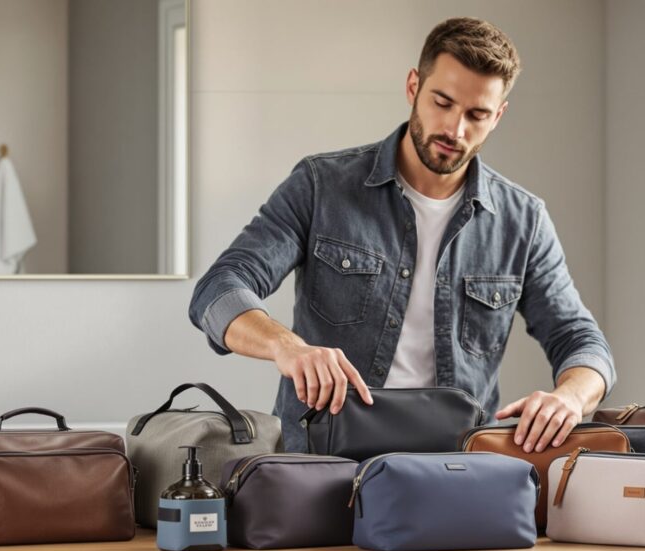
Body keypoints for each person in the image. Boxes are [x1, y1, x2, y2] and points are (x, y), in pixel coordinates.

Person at [189, 16, 615, 454]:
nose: (455, 130)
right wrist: (288, 348)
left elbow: (582, 341)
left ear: (498, 116)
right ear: (413, 86)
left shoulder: (523, 221)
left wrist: (569, 398)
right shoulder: (321, 186)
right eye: (443, 102)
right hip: (324, 473)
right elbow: (218, 290)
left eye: (477, 114)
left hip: (459, 476)